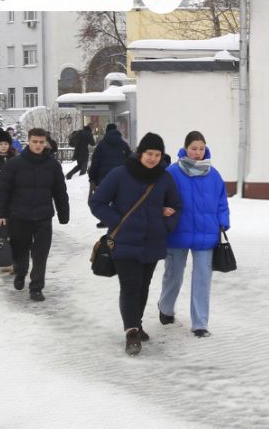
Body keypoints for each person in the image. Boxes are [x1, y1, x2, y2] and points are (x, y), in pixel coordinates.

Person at [90, 133, 182, 355]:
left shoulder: (164, 178)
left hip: (152, 242)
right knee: (130, 286)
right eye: (149, 153)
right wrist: (117, 221)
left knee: (143, 285)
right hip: (125, 241)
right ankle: (131, 331)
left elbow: (176, 207)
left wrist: (165, 225)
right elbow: (97, 201)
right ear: (140, 153)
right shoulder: (120, 174)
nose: (152, 158)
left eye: (157, 155)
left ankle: (137, 323)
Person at [158, 131, 230, 338]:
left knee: (202, 279)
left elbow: (221, 202)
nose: (198, 153)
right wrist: (163, 213)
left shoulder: (213, 175)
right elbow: (160, 197)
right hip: (177, 232)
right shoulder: (172, 172)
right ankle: (165, 308)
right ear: (185, 148)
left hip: (206, 234)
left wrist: (223, 221)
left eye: (201, 149)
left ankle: (200, 324)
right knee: (173, 275)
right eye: (193, 148)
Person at [0, 128, 69, 302]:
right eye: (35, 141)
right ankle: (20, 273)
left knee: (41, 254)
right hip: (19, 216)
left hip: (43, 217)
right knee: (20, 252)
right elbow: (4, 191)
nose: (38, 145)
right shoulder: (14, 164)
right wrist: (1, 214)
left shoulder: (53, 165)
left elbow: (60, 191)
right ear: (28, 141)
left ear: (45, 142)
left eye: (41, 142)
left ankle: (36, 287)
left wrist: (63, 213)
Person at [88, 123, 131, 227]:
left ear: (106, 132)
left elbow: (95, 162)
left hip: (104, 178)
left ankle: (105, 220)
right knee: (118, 199)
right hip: (121, 178)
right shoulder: (124, 145)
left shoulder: (101, 145)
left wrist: (92, 177)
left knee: (104, 200)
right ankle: (119, 219)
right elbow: (130, 161)